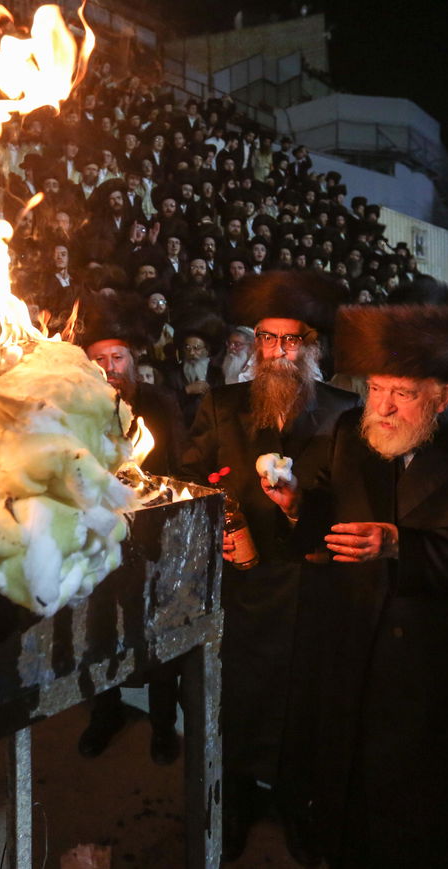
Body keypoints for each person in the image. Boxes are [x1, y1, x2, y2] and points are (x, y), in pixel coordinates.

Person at [273, 301, 448, 869]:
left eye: (402, 393)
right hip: (358, 648)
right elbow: (327, 506)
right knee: (358, 802)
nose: (382, 406)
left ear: (443, 396)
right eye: (376, 388)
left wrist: (405, 546)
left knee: (438, 816)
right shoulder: (353, 430)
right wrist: (296, 502)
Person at [178, 270, 357, 863]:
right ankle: (231, 810)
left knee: (304, 708)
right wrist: (225, 534)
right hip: (240, 590)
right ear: (254, 345)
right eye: (268, 340)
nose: (279, 352)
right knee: (237, 704)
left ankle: (299, 807)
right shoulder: (223, 405)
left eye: (292, 341)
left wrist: (303, 507)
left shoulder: (345, 412)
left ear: (313, 347)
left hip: (312, 587)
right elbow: (189, 483)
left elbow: (358, 501)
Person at [73, 296, 187, 765]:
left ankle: (163, 724)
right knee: (100, 629)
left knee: (156, 633)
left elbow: (182, 465)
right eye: (99, 359)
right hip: (99, 536)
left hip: (153, 537)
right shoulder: (77, 408)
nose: (110, 366)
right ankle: (106, 712)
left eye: (117, 357)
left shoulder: (158, 402)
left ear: (132, 361)